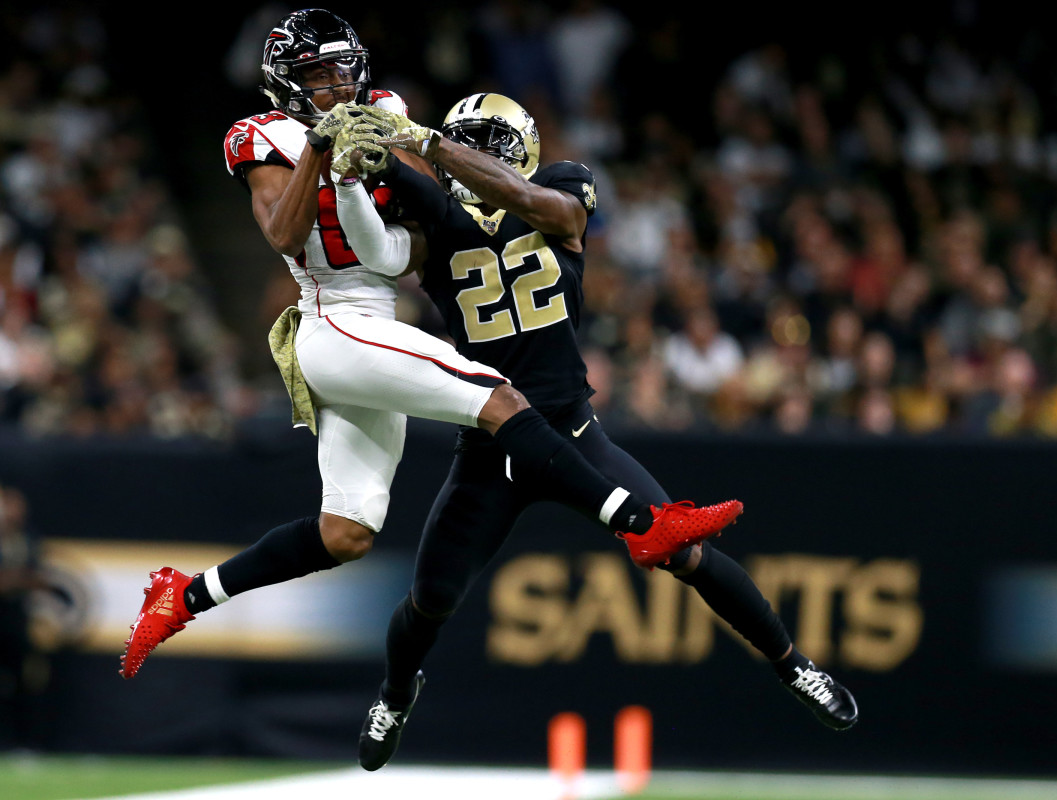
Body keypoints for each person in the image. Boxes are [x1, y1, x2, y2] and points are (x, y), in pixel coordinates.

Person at [118, 9, 743, 682]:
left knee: (346, 533)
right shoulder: (259, 137)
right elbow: (283, 234)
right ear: (287, 84)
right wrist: (323, 151)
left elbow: (427, 209)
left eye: (340, 69)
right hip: (334, 319)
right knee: (498, 397)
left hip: (378, 305)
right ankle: (642, 522)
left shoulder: (383, 108)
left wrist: (390, 150)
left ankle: (183, 595)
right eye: (317, 75)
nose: (335, 84)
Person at [328, 92, 859, 770]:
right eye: (469, 142)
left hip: (570, 430)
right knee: (431, 598)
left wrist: (429, 144)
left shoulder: (557, 189)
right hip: (491, 443)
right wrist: (359, 160)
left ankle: (793, 665)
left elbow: (552, 212)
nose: (477, 155)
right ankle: (396, 693)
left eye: (488, 142)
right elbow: (371, 225)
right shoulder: (432, 210)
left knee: (681, 548)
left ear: (521, 146)